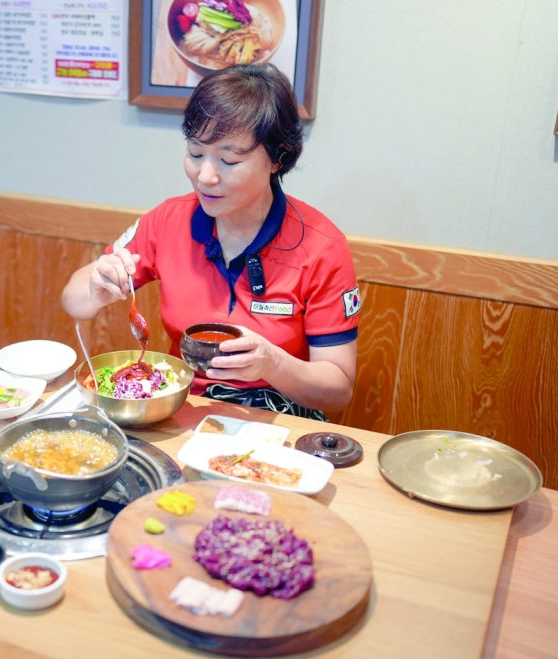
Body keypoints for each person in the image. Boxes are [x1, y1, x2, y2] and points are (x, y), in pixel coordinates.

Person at [61, 64, 360, 421]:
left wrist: (272, 363)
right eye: (196, 153)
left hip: (278, 420)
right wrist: (96, 286)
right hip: (182, 411)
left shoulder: (321, 247)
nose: (205, 176)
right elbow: (73, 301)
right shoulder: (169, 219)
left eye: (230, 159)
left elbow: (338, 389)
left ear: (277, 160)